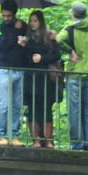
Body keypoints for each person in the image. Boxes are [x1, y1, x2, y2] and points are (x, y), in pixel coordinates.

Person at [57, 2, 88, 151]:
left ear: (73, 14)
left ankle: (77, 144)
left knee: (74, 110)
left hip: (74, 74)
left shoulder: (70, 29)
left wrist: (70, 51)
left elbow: (58, 39)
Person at [0, 0, 28, 146]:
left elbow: (26, 42)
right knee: (4, 104)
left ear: (14, 14)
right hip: (4, 69)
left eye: (9, 16)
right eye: (4, 15)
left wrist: (24, 41)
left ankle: (14, 134)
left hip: (19, 68)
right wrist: (16, 32)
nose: (6, 18)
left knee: (17, 105)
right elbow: (3, 44)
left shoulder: (22, 25)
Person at [23, 10, 62, 148]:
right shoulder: (27, 38)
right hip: (31, 77)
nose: (32, 24)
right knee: (32, 108)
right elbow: (26, 58)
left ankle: (48, 139)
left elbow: (56, 54)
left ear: (40, 22)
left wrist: (42, 58)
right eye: (31, 21)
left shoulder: (49, 37)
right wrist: (25, 46)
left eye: (35, 21)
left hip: (45, 78)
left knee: (46, 108)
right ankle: (36, 140)